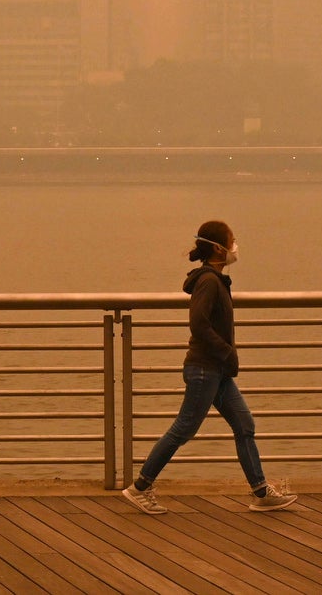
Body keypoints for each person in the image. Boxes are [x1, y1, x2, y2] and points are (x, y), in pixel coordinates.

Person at [122, 220, 297, 514]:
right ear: (218, 248)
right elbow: (198, 323)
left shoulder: (215, 279)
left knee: (244, 425)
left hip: (218, 371)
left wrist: (225, 358)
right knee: (183, 429)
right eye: (232, 240)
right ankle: (140, 487)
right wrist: (226, 351)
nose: (235, 246)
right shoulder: (208, 282)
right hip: (205, 369)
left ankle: (261, 492)